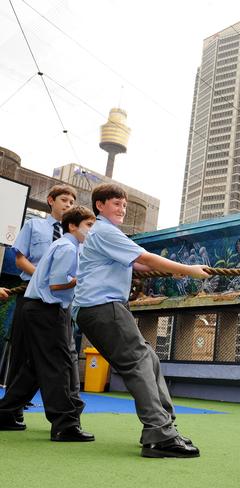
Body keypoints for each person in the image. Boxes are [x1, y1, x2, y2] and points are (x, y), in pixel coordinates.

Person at [72, 183, 210, 458]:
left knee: (148, 358)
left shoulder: (104, 234)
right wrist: (188, 270)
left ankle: (164, 424)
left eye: (124, 204)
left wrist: (171, 272)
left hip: (99, 309)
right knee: (138, 361)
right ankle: (159, 434)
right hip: (102, 307)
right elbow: (144, 256)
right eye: (116, 203)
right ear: (100, 206)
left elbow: (138, 264)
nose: (122, 208)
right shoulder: (105, 231)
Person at [0, 206, 95, 441]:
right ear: (73, 226)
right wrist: (79, 280)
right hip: (47, 309)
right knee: (59, 364)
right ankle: (65, 423)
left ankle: (5, 413)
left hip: (38, 309)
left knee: (34, 367)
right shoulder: (67, 247)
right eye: (89, 225)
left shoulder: (67, 246)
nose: (92, 231)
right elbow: (56, 284)